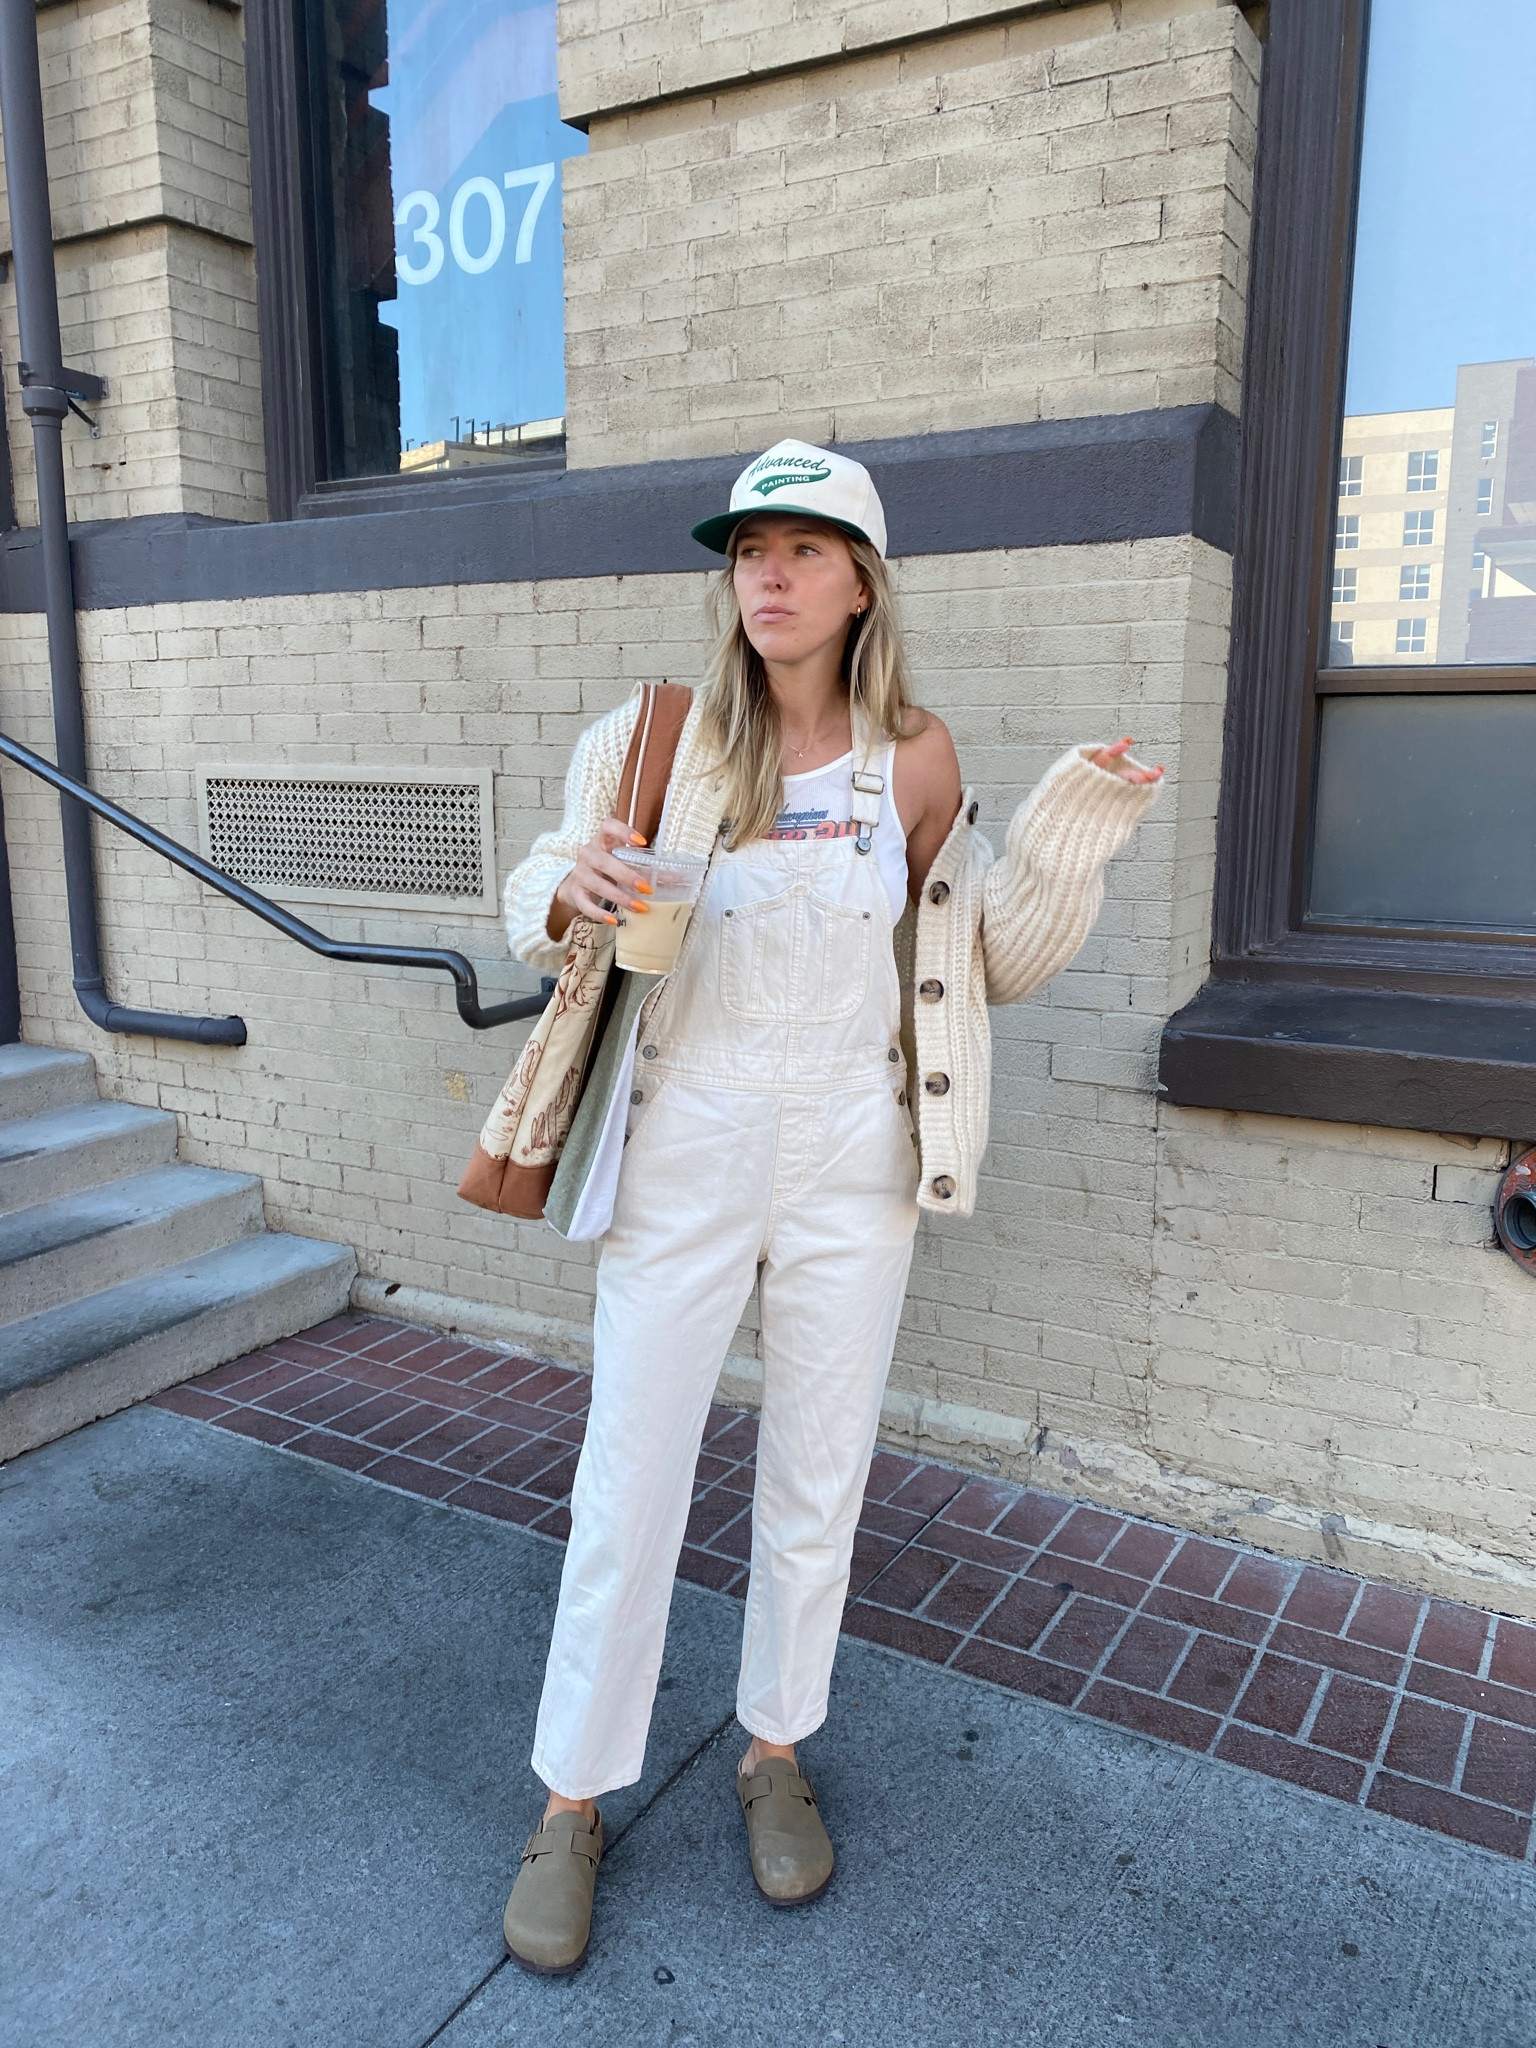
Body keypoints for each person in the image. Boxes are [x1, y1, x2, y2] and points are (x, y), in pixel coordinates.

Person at [498, 439, 1162, 1973]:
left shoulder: (914, 759)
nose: (772, 576)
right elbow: (542, 873)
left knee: (818, 1477)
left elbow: (974, 967)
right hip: (687, 1139)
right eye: (749, 551)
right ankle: (571, 1795)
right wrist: (566, 884)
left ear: (864, 581)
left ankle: (775, 1750)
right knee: (631, 1477)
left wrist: (1065, 846)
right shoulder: (657, 742)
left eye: (805, 548)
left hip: (857, 1151)